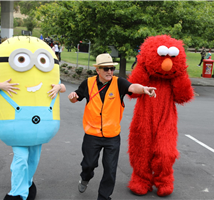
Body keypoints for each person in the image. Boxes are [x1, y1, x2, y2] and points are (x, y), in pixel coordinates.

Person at [67, 53, 156, 200]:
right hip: (92, 134)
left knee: (110, 169)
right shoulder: (88, 83)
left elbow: (132, 87)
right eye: (106, 68)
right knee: (88, 165)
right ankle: (85, 177)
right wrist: (72, 98)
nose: (109, 71)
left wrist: (144, 89)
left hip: (112, 136)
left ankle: (104, 197)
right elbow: (76, 96)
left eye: (111, 68)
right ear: (98, 70)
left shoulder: (119, 83)